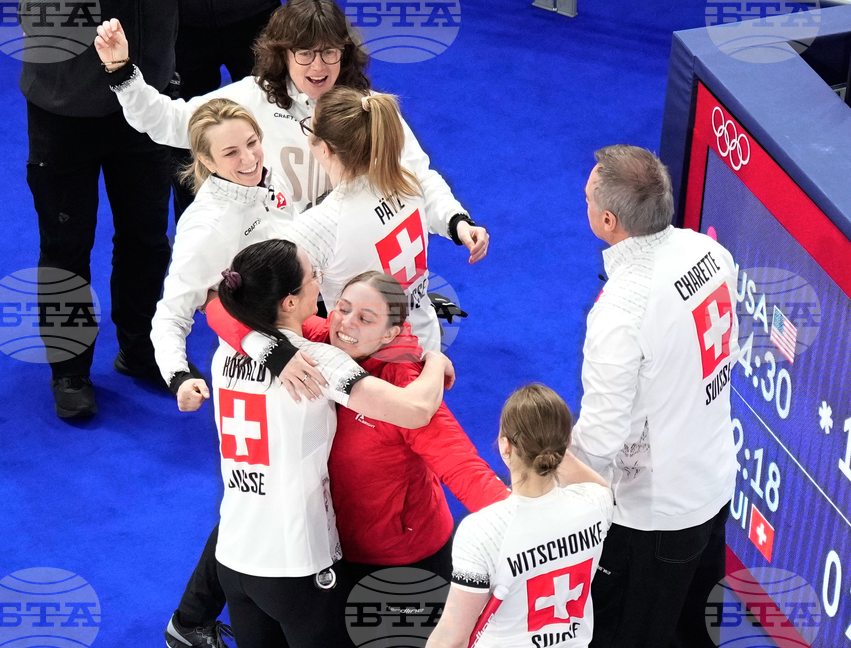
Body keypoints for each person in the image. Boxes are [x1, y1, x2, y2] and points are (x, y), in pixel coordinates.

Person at [165, 272, 506, 648]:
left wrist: (528, 527)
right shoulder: (313, 341)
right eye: (343, 309)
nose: (346, 324)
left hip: (404, 559)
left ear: (392, 334)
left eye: (366, 318)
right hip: (332, 553)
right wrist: (269, 351)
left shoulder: (403, 386)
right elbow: (221, 303)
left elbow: (464, 469)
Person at [92, 0, 490, 260]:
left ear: (344, 53)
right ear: (283, 54)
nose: (318, 67)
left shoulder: (363, 107)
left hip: (349, 264)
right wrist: (122, 71)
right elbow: (166, 123)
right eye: (305, 54)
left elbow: (414, 172)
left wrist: (456, 222)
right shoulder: (249, 98)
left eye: (329, 53)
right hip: (280, 272)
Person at [203, 239, 453, 648]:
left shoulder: (225, 351)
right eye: (312, 278)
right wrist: (435, 360)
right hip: (296, 567)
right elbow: (414, 410)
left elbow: (218, 308)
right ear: (288, 302)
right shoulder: (317, 360)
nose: (320, 284)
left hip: (233, 557)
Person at [569, 145, 740, 648]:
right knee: (696, 631)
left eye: (586, 199)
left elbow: (601, 436)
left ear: (607, 219)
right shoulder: (709, 253)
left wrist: (551, 479)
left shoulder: (621, 309)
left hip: (651, 515)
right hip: (711, 482)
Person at [25, 0, 177, 418]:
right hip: (64, 110)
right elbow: (33, 13)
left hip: (145, 98)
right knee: (65, 246)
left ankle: (141, 348)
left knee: (146, 237)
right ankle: (69, 370)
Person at [426, 384, 613, 648]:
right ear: (566, 444)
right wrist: (554, 444)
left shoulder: (481, 531)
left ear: (505, 447)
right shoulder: (596, 505)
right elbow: (601, 488)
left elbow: (452, 637)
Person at [150, 98, 295, 407]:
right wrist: (179, 376)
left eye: (252, 142)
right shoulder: (207, 228)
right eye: (230, 153)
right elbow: (171, 314)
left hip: (305, 318)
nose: (248, 159)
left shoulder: (267, 175)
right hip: (264, 351)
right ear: (208, 161)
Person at [284, 88, 443, 351]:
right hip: (423, 341)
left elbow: (266, 298)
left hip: (368, 365)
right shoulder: (405, 178)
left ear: (324, 149)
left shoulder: (320, 224)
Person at [169, 0, 320, 221]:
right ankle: (199, 228)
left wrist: (300, 17)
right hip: (180, 24)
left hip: (259, 19)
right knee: (186, 139)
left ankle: (276, 222)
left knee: (272, 123)